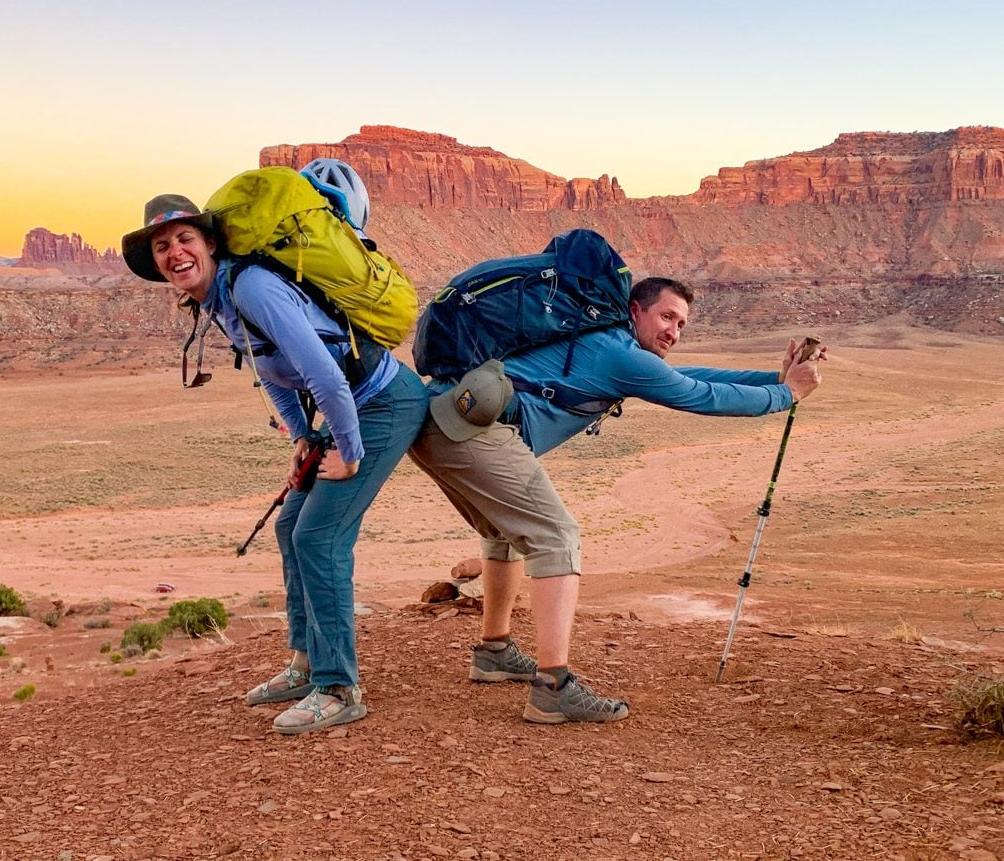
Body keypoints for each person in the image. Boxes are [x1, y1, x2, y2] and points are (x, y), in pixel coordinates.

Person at [408, 276, 825, 724]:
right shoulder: (617, 352)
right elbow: (696, 394)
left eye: (682, 324)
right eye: (666, 317)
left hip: (445, 422)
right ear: (634, 311)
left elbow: (687, 375)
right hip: (472, 433)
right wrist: (787, 394)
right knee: (556, 537)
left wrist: (773, 379)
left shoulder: (609, 345)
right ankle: (553, 688)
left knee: (504, 531)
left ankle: (495, 653)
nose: (674, 332)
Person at [121, 186, 429, 736]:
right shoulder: (219, 299)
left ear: (210, 242)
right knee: (290, 525)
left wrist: (349, 454)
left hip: (384, 403)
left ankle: (338, 688)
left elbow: (325, 375)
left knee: (319, 537)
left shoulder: (253, 287)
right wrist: (304, 438)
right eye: (163, 246)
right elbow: (271, 371)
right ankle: (306, 663)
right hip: (345, 411)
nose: (174, 253)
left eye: (184, 238)